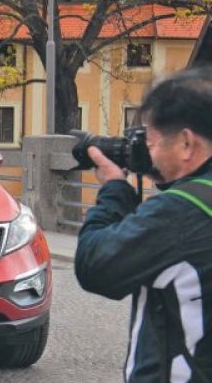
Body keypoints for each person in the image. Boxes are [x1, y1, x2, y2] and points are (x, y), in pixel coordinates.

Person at [75, 67, 212, 382]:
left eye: (151, 143)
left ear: (186, 143)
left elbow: (95, 266)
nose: (149, 155)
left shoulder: (179, 212)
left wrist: (114, 190)